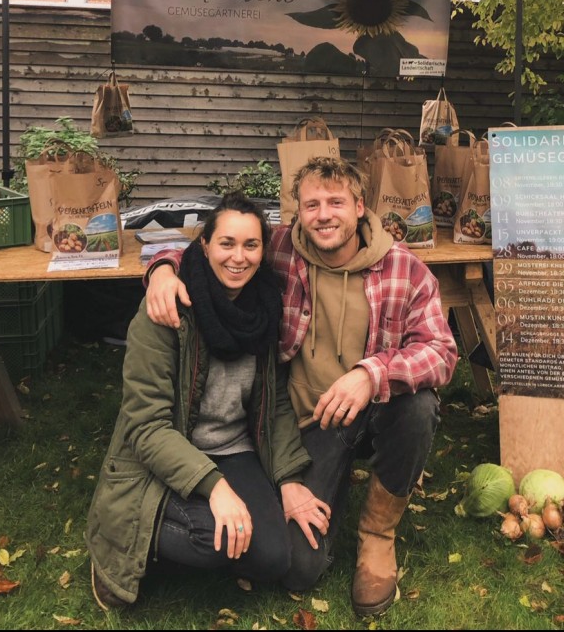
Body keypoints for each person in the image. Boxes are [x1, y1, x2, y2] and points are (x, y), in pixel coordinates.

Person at [144, 156, 458, 616]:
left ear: (359, 206)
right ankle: (331, 487)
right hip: (309, 422)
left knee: (419, 407)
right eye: (312, 204)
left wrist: (370, 374)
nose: (324, 215)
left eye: (335, 202)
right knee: (297, 567)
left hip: (376, 409)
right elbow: (213, 249)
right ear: (297, 213)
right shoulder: (281, 250)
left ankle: (377, 535)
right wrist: (163, 270)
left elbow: (442, 351)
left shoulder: (404, 270)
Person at [85, 192, 330, 611]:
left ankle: (193, 528)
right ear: (204, 246)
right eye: (227, 243)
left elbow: (274, 405)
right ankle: (127, 539)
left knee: (272, 557)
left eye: (251, 245)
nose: (239, 257)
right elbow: (146, 426)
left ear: (262, 250)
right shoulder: (165, 309)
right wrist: (216, 487)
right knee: (214, 543)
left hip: (234, 448)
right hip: (167, 447)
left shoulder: (265, 308)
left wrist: (289, 479)